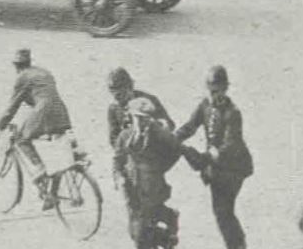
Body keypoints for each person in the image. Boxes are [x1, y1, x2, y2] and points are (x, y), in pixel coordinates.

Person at [177, 66, 253, 249]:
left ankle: (237, 245)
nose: (213, 95)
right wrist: (172, 138)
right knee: (222, 212)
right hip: (216, 166)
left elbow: (230, 144)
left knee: (223, 211)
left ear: (226, 89)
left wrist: (207, 156)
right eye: (210, 91)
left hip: (233, 169)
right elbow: (189, 127)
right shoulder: (204, 106)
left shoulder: (233, 113)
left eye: (217, 91)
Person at [0, 49, 79, 210]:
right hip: (60, 111)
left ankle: (39, 169)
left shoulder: (22, 77)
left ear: (17, 66)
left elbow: (12, 106)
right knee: (57, 150)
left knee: (20, 138)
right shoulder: (43, 73)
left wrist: (0, 126)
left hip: (44, 111)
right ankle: (51, 195)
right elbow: (40, 95)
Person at [113, 97, 182, 249]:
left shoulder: (158, 133)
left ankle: (164, 226)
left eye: (146, 119)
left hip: (152, 188)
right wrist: (119, 178)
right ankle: (168, 222)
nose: (142, 122)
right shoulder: (125, 136)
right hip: (131, 188)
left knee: (140, 236)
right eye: (138, 118)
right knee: (134, 231)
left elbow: (176, 149)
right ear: (131, 116)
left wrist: (159, 168)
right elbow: (117, 160)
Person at [107, 67, 175, 148]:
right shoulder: (114, 109)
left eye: (120, 94)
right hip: (131, 152)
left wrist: (155, 125)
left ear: (129, 87)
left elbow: (170, 125)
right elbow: (113, 139)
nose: (117, 99)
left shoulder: (149, 100)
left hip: (155, 148)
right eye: (113, 94)